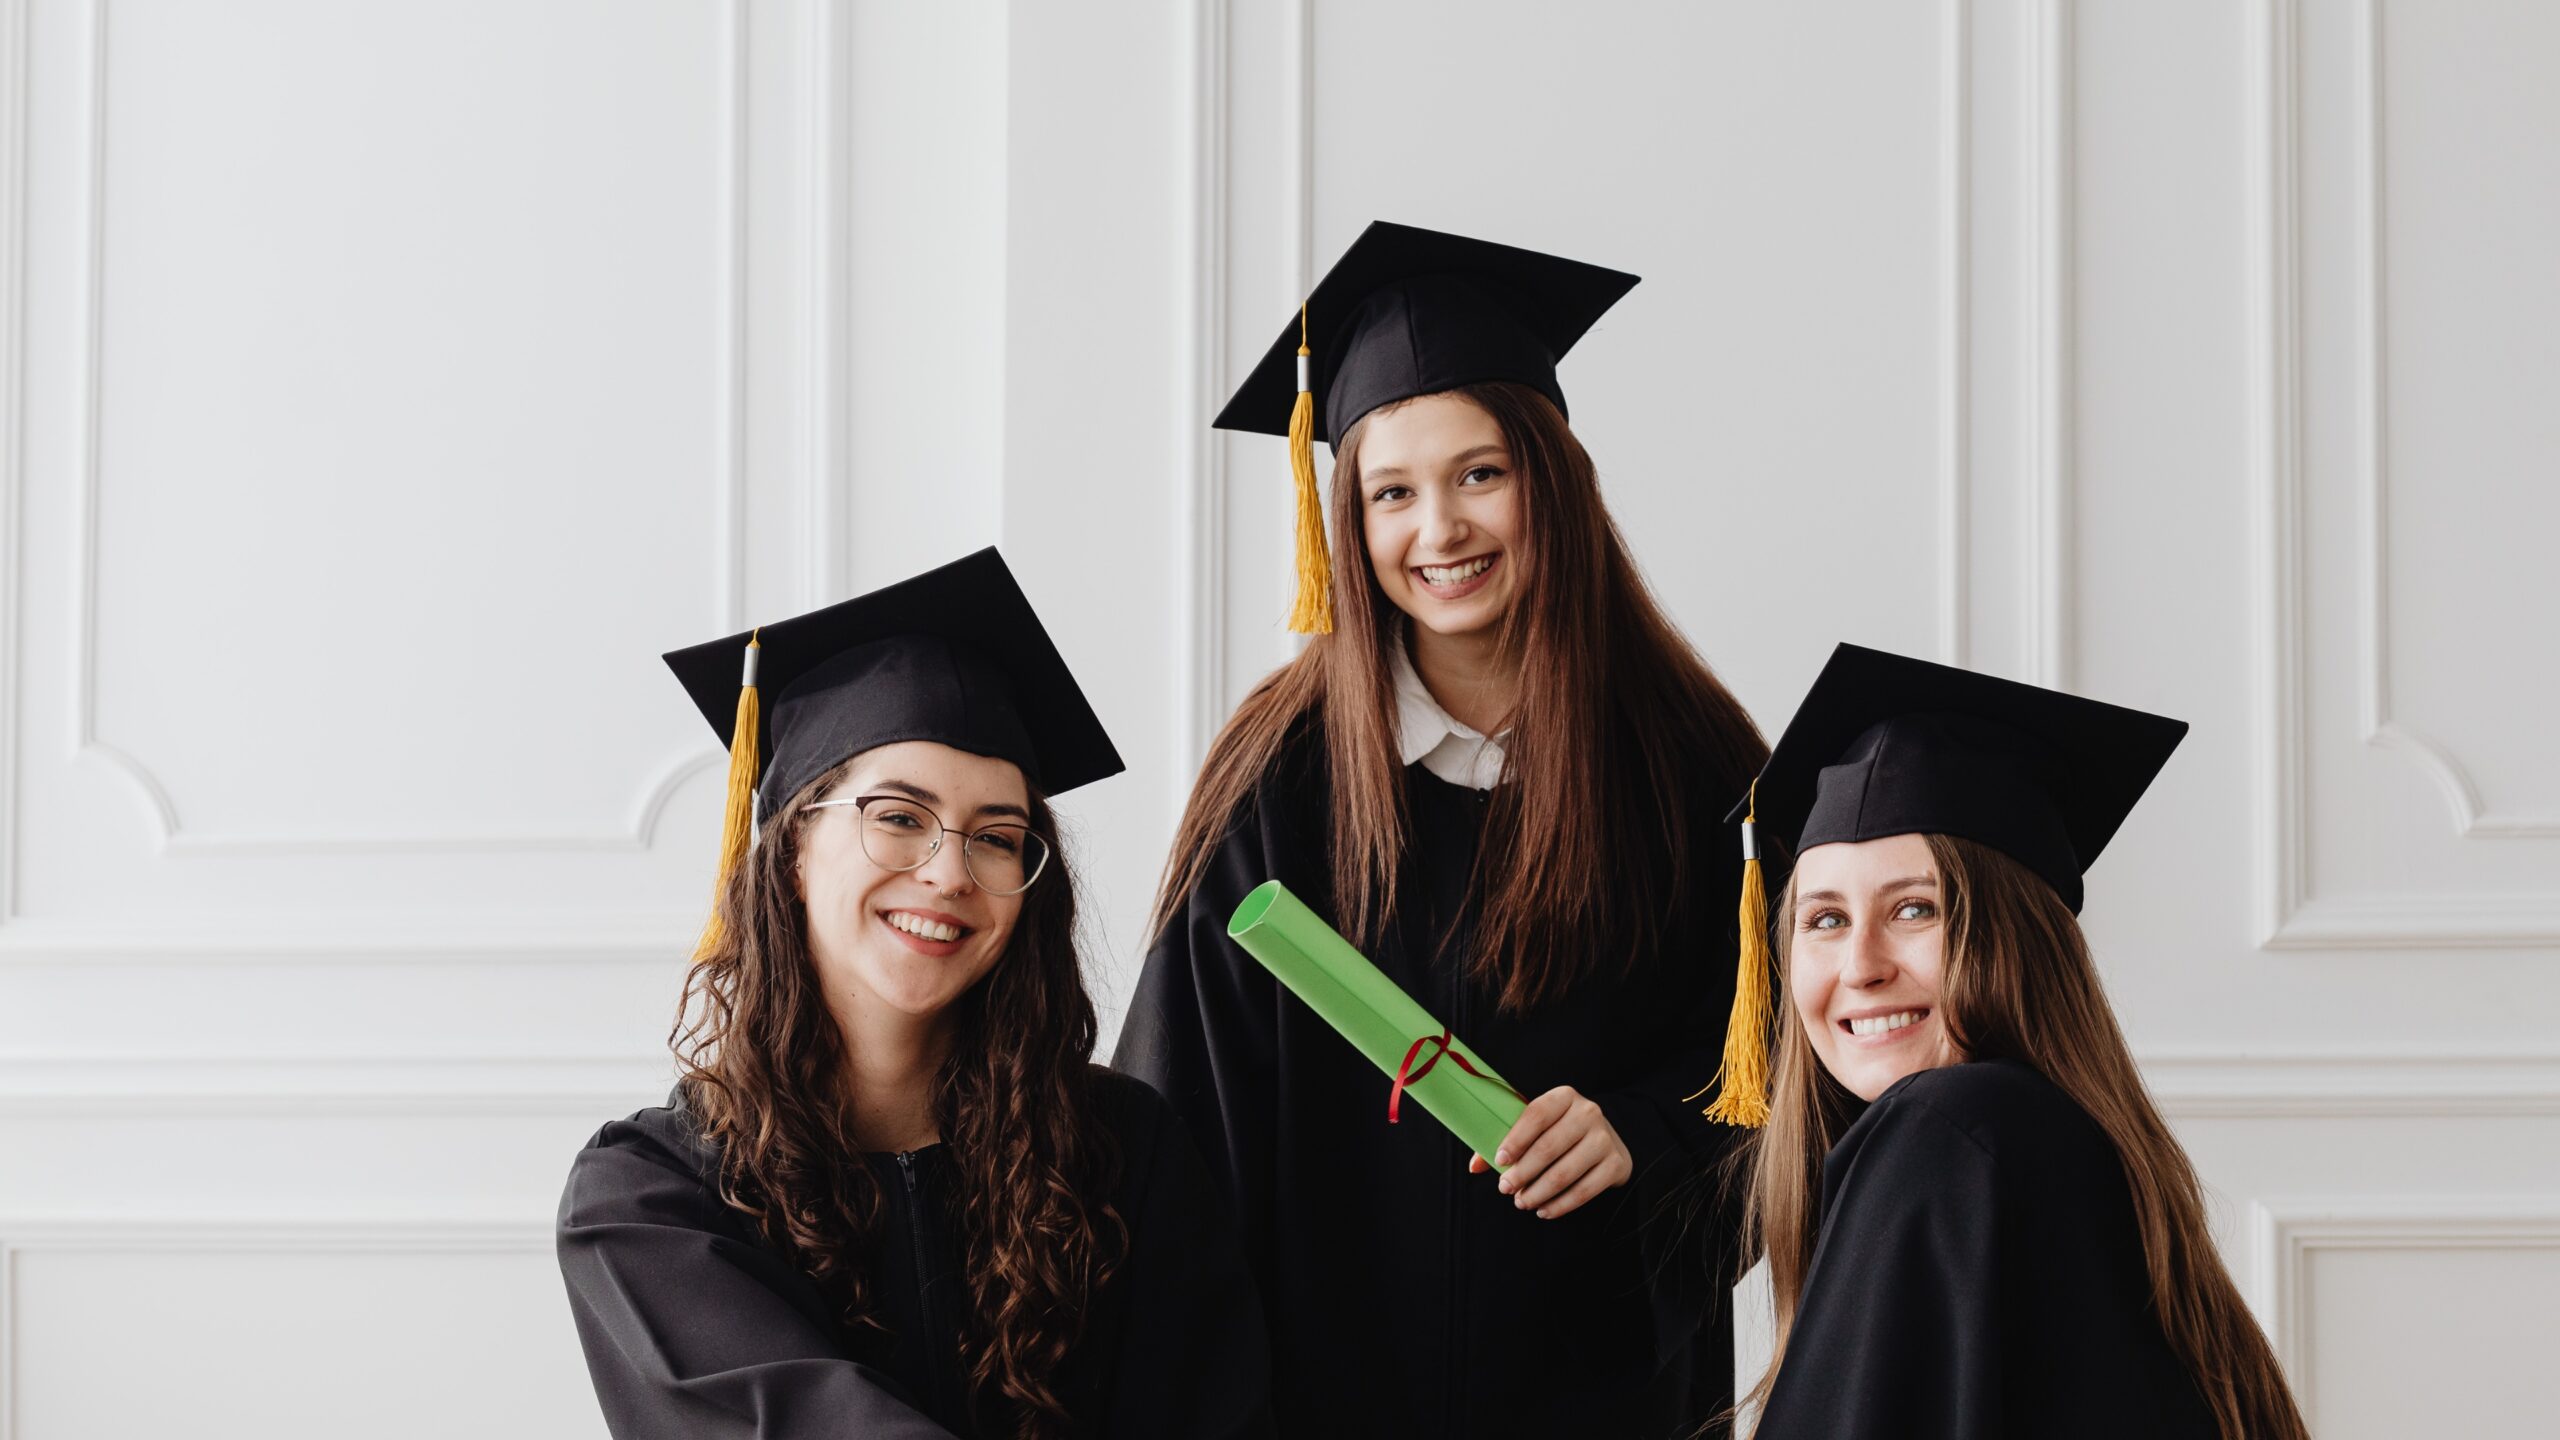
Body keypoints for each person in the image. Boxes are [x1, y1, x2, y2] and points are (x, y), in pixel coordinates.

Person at [1115, 222, 1768, 1436]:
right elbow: (1175, 1126)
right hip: (1316, 1405)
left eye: (1480, 474)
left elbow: (1774, 1071)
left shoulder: (1692, 763)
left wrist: (1644, 1137)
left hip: (1605, 1404)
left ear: (1552, 478)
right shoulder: (1278, 777)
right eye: (1389, 493)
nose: (1439, 531)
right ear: (1348, 529)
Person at [557, 549, 1274, 1440]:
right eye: (898, 817)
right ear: (790, 852)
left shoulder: (1124, 1159)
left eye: (998, 837)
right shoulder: (653, 1196)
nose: (947, 873)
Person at [1721, 642, 2309, 1440]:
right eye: (1824, 919)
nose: (1859, 966)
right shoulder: (2069, 1159)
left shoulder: (1953, 1130)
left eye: (1915, 909)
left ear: (2015, 937)